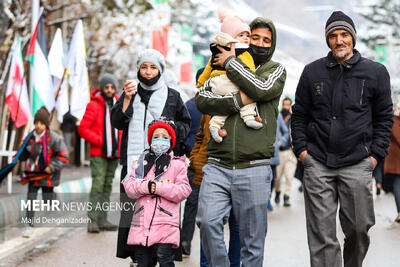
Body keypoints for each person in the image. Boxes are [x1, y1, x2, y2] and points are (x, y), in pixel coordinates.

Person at [291, 11, 393, 267]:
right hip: (318, 163)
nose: (339, 41)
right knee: (322, 237)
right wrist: (303, 152)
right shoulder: (312, 72)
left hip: (358, 162)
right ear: (327, 40)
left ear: (353, 38)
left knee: (359, 229)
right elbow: (299, 115)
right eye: (333, 36)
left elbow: (384, 119)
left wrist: (374, 156)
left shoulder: (376, 72)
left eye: (344, 35)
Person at [195, 17, 286, 267]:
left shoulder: (274, 70)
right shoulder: (218, 65)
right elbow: (202, 98)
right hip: (217, 164)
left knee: (252, 242)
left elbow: (261, 90)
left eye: (266, 40)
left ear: (273, 44)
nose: (259, 43)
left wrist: (231, 62)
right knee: (207, 221)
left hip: (254, 166)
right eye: (254, 37)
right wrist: (238, 101)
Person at [111, 48, 191, 261]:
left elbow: (186, 125)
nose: (148, 71)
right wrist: (126, 99)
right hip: (133, 163)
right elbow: (117, 122)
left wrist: (171, 127)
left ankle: (162, 253)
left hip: (164, 165)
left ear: (160, 70)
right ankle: (137, 257)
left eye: (153, 67)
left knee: (162, 209)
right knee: (132, 211)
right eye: (144, 67)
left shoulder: (172, 95)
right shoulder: (130, 92)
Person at [122, 118, 191, 267]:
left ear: (171, 141)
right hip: (142, 223)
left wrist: (159, 188)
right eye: (156, 136)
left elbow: (184, 190)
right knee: (143, 261)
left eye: (165, 137)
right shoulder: (140, 163)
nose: (160, 140)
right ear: (150, 140)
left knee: (164, 258)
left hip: (166, 224)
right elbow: (129, 187)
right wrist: (146, 186)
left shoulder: (177, 165)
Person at [197, 13, 262, 143]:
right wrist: (253, 80)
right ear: (231, 37)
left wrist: (200, 82)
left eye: (247, 35)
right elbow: (249, 72)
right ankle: (248, 117)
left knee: (223, 108)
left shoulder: (218, 50)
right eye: (241, 35)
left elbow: (208, 68)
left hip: (216, 84)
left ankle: (215, 125)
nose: (245, 38)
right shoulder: (244, 52)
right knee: (248, 95)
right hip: (230, 81)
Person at [78, 74, 122, 233]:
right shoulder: (94, 105)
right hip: (99, 153)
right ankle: (92, 220)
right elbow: (82, 128)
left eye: (112, 87)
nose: (109, 90)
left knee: (107, 185)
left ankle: (103, 219)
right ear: (102, 88)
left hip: (114, 153)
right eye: (106, 87)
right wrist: (100, 140)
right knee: (97, 185)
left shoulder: (120, 104)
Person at [20, 107, 69, 227]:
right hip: (33, 174)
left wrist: (51, 167)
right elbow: (24, 156)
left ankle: (54, 199)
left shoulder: (54, 139)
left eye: (41, 123)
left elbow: (64, 156)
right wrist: (22, 148)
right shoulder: (30, 137)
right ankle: (29, 223)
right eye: (36, 123)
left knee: (48, 201)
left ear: (46, 125)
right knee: (31, 198)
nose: (38, 126)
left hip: (48, 176)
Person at [274, 97, 296, 207]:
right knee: (277, 178)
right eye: (284, 104)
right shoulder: (278, 117)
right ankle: (277, 192)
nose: (286, 107)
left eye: (288, 104)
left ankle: (286, 196)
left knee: (289, 176)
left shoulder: (294, 119)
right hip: (279, 153)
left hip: (290, 152)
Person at [383, 104, 400, 223]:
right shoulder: (394, 121)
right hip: (396, 160)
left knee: (397, 185)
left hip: (395, 160)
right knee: (397, 184)